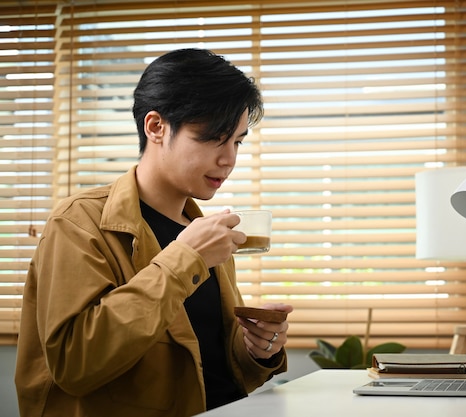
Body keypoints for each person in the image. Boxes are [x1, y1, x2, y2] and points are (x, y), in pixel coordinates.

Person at [15, 48, 293, 417]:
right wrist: (184, 260)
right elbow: (73, 365)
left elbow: (208, 365)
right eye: (213, 137)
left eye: (237, 140)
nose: (229, 159)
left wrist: (257, 350)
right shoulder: (78, 222)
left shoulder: (202, 231)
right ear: (156, 127)